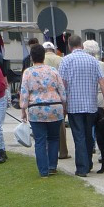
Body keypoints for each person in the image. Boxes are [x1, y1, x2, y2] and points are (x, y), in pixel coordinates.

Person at [59, 34, 104, 176]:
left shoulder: (66, 61)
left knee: (78, 136)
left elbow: (63, 84)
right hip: (90, 104)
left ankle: (82, 167)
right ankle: (88, 162)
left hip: (74, 105)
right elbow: (103, 82)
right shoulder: (93, 61)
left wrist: (63, 104)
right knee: (88, 135)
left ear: (69, 46)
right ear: (81, 45)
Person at [19, 42, 67, 178]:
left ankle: (43, 171)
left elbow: (24, 92)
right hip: (54, 107)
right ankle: (52, 166)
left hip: (36, 108)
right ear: (44, 56)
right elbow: (61, 89)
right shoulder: (53, 71)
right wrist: (64, 105)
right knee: (53, 138)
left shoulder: (28, 72)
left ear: (32, 57)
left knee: (40, 140)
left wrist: (23, 109)